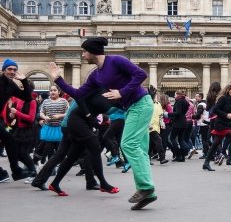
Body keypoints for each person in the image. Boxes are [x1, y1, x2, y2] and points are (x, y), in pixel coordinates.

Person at [48, 37, 156, 210]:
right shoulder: (95, 75)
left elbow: (141, 74)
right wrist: (58, 80)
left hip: (141, 103)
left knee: (128, 144)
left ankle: (145, 187)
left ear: (91, 51)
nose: (83, 55)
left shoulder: (116, 60)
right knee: (139, 149)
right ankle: (147, 189)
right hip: (132, 107)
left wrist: (122, 92)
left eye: (84, 52)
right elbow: (79, 94)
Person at [0, 58, 34, 182]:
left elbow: (28, 98)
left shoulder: (11, 84)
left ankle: (11, 172)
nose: (12, 71)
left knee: (10, 141)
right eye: (9, 69)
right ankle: (16, 171)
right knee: (10, 140)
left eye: (14, 69)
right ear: (3, 70)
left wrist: (24, 81)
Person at [202, 84, 231, 171]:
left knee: (215, 144)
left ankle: (206, 163)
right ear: (229, 89)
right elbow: (215, 110)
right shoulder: (223, 98)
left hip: (227, 124)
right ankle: (229, 159)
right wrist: (226, 115)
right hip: (220, 124)